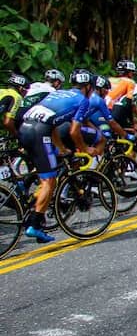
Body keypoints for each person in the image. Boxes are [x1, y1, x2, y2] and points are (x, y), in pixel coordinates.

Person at [17, 69, 100, 243]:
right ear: (88, 87)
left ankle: (25, 189)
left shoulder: (59, 93)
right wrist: (85, 149)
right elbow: (74, 131)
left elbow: (53, 124)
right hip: (39, 132)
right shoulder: (83, 100)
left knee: (45, 169)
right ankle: (35, 225)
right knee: (50, 181)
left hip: (25, 129)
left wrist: (61, 148)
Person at [106, 59, 137, 130]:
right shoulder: (130, 82)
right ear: (129, 73)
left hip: (101, 109)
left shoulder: (109, 79)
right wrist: (131, 120)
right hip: (114, 110)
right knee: (128, 130)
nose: (133, 75)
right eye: (132, 72)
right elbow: (129, 102)